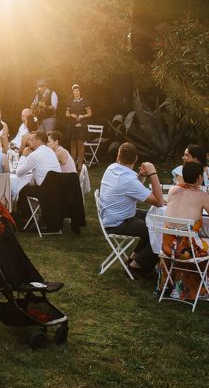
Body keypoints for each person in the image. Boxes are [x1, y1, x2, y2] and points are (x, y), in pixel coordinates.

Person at [98, 142, 164, 272]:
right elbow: (159, 202)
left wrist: (142, 175)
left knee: (153, 217)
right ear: (136, 158)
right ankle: (137, 267)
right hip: (118, 223)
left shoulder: (112, 168)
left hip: (112, 216)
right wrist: (153, 174)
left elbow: (134, 187)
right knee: (159, 231)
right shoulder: (128, 179)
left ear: (118, 156)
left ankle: (133, 259)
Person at [159, 161, 209, 301]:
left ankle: (173, 285)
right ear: (200, 178)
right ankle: (201, 288)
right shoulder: (202, 196)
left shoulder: (173, 190)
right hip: (187, 250)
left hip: (168, 247)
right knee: (206, 243)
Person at [64, 84, 92, 170]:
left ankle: (80, 163)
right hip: (72, 124)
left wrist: (82, 116)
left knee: (80, 143)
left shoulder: (85, 101)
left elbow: (90, 113)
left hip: (81, 124)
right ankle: (72, 164)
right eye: (74, 91)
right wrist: (71, 115)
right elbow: (66, 114)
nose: (75, 92)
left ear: (80, 91)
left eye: (77, 90)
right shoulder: (70, 101)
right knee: (72, 144)